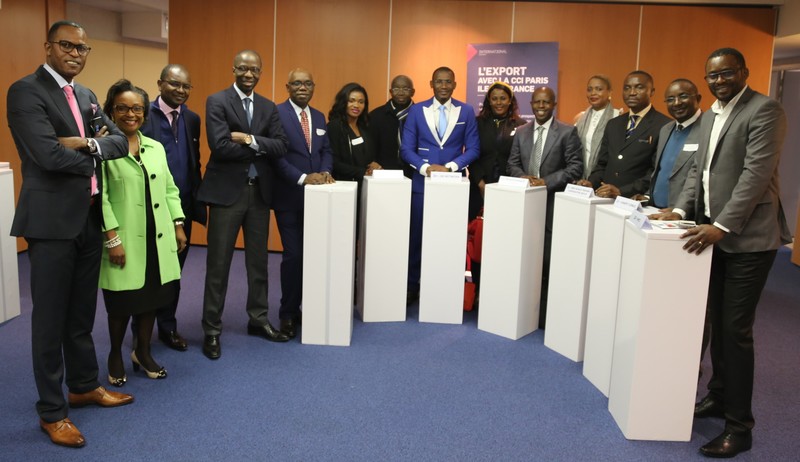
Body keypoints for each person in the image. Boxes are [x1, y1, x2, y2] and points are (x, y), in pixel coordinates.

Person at [652, 48, 790, 458]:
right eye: (712, 75)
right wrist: (679, 209)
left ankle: (739, 426)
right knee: (711, 321)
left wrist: (722, 225)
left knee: (736, 331)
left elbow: (755, 175)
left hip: (748, 239)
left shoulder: (765, 111)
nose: (718, 81)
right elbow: (700, 172)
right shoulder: (710, 115)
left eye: (726, 73)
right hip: (712, 234)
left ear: (744, 73)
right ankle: (717, 395)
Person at [7, 20, 133, 448]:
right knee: (49, 321)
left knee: (81, 314)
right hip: (50, 222)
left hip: (89, 217)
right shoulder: (25, 91)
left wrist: (85, 145)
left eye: (83, 48)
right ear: (48, 47)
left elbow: (122, 142)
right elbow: (45, 155)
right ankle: (51, 411)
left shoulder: (87, 95)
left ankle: (83, 385)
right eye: (67, 45)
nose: (77, 53)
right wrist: (92, 150)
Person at [198, 49, 290, 360]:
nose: (248, 74)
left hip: (259, 194)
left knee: (258, 263)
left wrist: (249, 141)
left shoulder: (268, 106)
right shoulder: (218, 101)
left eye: (254, 69)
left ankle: (258, 319)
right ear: (233, 69)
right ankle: (211, 329)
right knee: (218, 265)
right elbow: (220, 147)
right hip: (227, 195)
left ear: (261, 72)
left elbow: (280, 145)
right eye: (242, 68)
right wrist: (261, 146)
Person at [100, 79, 187, 385]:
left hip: (157, 237)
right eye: (122, 108)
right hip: (124, 239)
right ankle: (114, 354)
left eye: (136, 108)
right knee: (122, 302)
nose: (130, 114)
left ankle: (143, 351)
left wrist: (177, 223)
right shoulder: (104, 149)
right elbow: (101, 197)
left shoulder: (155, 148)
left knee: (151, 299)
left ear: (144, 113)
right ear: (111, 110)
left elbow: (170, 189)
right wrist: (112, 239)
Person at [136, 63, 204, 352]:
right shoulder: (141, 114)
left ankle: (167, 326)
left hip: (182, 207)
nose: (180, 90)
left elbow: (194, 160)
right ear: (160, 83)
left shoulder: (192, 118)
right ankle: (140, 333)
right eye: (174, 84)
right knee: (148, 272)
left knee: (174, 272)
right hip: (149, 208)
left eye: (186, 86)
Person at [400, 66, 480, 301]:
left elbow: (474, 148)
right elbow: (406, 148)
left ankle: (445, 284)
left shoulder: (466, 111)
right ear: (431, 84)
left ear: (454, 84)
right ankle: (412, 284)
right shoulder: (416, 111)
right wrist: (426, 169)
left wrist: (451, 168)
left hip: (453, 185)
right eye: (439, 82)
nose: (443, 86)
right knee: (417, 236)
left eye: (448, 82)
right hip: (421, 184)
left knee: (450, 237)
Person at [507, 86, 583, 328]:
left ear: (554, 104)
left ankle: (547, 317)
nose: (541, 107)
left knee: (549, 262)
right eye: (537, 102)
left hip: (553, 205)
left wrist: (545, 183)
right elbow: (512, 164)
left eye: (546, 103)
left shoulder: (568, 132)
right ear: (531, 103)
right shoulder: (520, 132)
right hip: (525, 206)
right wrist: (523, 177)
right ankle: (524, 312)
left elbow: (575, 167)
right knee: (525, 260)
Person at [274, 68, 335, 339]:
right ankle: (287, 313)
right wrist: (302, 178)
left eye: (307, 83)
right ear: (287, 87)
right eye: (297, 83)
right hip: (289, 196)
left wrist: (324, 172)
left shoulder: (320, 116)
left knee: (315, 257)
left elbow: (326, 151)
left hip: (320, 202)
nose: (302, 87)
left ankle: (309, 307)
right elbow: (276, 156)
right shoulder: (276, 113)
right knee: (294, 256)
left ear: (313, 87)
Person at [577, 71, 671, 198]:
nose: (632, 92)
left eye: (639, 87)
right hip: (605, 199)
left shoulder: (664, 125)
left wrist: (622, 191)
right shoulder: (614, 124)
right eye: (627, 88)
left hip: (636, 200)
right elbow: (602, 164)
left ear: (652, 92)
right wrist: (591, 182)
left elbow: (656, 171)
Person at [468, 81, 526, 220]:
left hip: (509, 187)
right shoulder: (476, 123)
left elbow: (522, 158)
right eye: (494, 98)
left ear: (510, 101)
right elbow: (471, 153)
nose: (498, 102)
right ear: (489, 101)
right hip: (479, 186)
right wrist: (481, 184)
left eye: (503, 98)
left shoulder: (521, 125)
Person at [643, 79, 703, 209]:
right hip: (655, 210)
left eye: (683, 96)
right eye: (670, 99)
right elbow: (660, 171)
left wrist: (680, 210)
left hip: (685, 214)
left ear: (698, 98)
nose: (676, 103)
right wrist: (647, 196)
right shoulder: (666, 129)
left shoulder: (708, 128)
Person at [328, 82, 381, 184]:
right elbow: (334, 162)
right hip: (344, 185)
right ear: (343, 102)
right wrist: (362, 172)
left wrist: (373, 164)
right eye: (351, 101)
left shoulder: (365, 127)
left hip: (365, 184)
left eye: (361, 102)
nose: (356, 105)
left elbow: (367, 155)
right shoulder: (334, 126)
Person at [369, 75, 416, 177]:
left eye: (405, 89)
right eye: (396, 89)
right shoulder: (375, 116)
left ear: (413, 92)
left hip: (414, 172)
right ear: (390, 91)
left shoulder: (421, 115)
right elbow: (370, 146)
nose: (400, 92)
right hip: (383, 172)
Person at [574, 75, 620, 179]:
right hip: (579, 178)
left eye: (599, 89)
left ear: (609, 92)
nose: (593, 93)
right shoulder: (580, 119)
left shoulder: (617, 117)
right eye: (589, 89)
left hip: (606, 178)